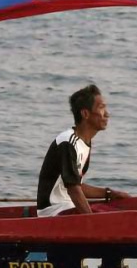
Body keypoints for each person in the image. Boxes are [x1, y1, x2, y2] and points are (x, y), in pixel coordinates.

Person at [37, 84, 129, 217]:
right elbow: (74, 190)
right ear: (85, 113)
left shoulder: (84, 143)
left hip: (68, 207)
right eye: (101, 108)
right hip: (54, 212)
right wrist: (92, 222)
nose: (107, 114)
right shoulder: (68, 142)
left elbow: (77, 185)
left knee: (115, 210)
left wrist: (110, 193)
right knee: (113, 216)